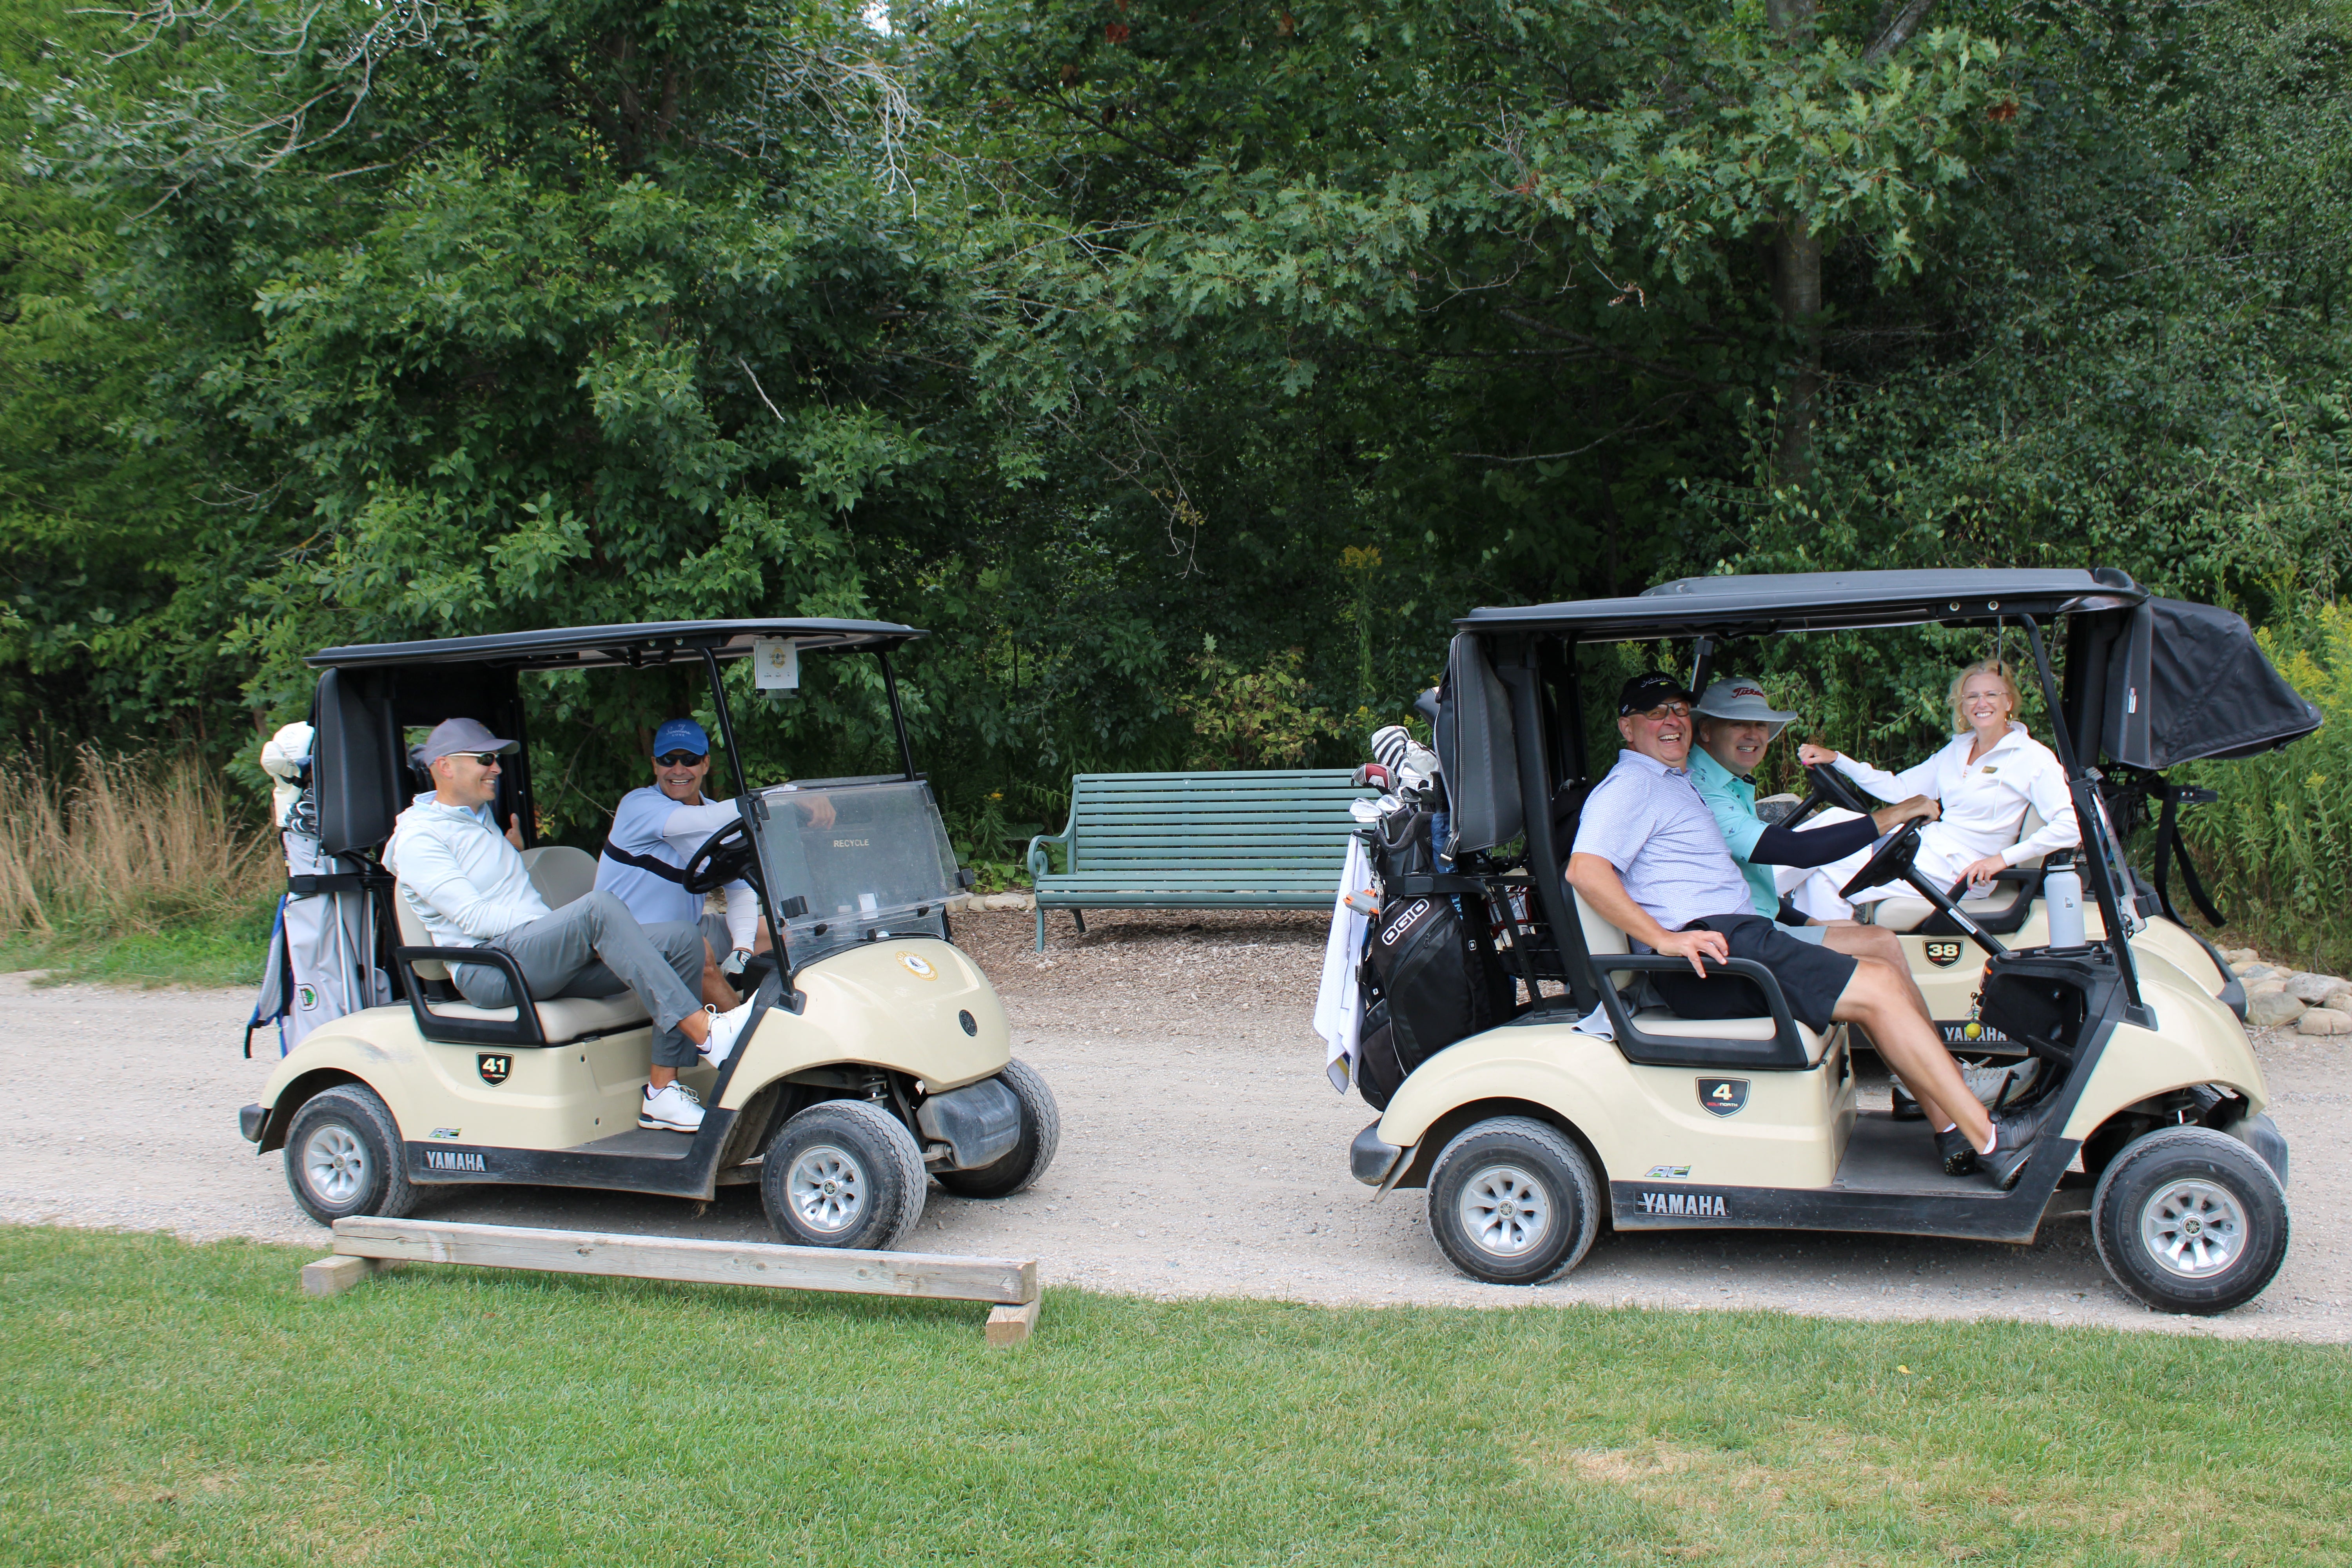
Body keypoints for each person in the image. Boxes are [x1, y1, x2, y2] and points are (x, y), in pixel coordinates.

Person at [1566, 672, 2054, 1188]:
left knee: (1879, 963)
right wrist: (1665, 938)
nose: (1672, 722)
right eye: (1656, 713)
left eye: (1679, 711)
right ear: (1627, 727)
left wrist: (1798, 920)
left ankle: (1953, 1122)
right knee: (1880, 986)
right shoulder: (1632, 784)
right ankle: (1993, 1141)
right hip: (1711, 958)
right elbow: (1586, 869)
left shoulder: (1676, 782)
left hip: (1737, 939)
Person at [390, 717, 759, 1135]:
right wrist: (556, 925)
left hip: (525, 956)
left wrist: (512, 854)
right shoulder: (419, 837)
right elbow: (473, 918)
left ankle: (663, 1094)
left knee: (682, 937)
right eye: (486, 760)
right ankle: (708, 1033)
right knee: (598, 909)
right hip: (490, 968)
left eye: (496, 761)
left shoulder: (474, 817)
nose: (496, 768)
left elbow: (490, 880)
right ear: (445, 766)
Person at [1789, 659, 2080, 922]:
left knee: (1825, 859)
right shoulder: (1959, 748)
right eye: (1972, 696)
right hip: (1928, 851)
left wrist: (2000, 860)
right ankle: (1824, 962)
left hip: (1966, 871)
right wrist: (1840, 760)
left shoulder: (2031, 756)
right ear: (1963, 706)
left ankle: (1750, 895)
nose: (1982, 703)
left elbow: (2073, 826)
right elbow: (1899, 788)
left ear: (2009, 703)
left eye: (1992, 695)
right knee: (1831, 834)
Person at [597, 718, 784, 1011]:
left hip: (689, 927)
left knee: (783, 931)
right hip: (631, 936)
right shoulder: (638, 805)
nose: (679, 769)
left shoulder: (718, 813)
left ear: (706, 764)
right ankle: (745, 1044)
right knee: (697, 949)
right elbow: (700, 822)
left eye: (690, 760)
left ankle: (784, 1013)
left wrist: (743, 949)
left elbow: (740, 890)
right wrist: (783, 797)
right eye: (668, 760)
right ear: (655, 765)